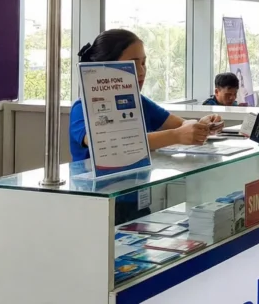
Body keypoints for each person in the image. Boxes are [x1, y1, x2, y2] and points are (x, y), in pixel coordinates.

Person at [69, 29, 222, 223]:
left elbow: (178, 123)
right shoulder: (82, 108)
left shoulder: (138, 101)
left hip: (136, 200)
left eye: (143, 63)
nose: (141, 71)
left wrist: (201, 125)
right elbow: (105, 142)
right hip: (97, 206)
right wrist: (176, 136)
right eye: (133, 64)